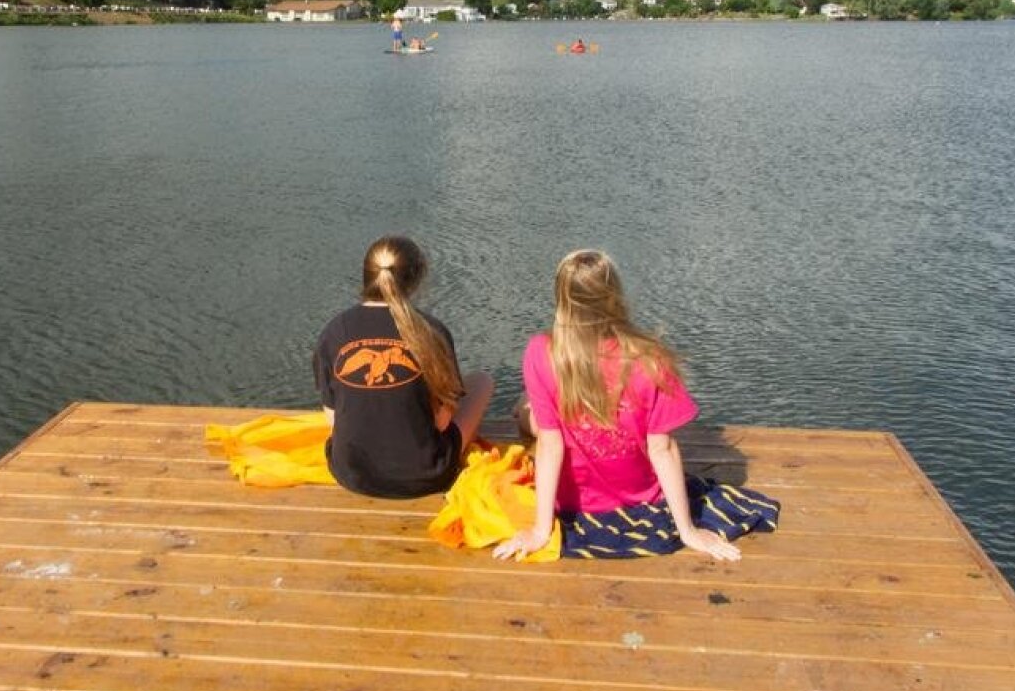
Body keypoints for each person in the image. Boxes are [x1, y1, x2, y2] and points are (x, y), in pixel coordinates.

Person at [494, 249, 778, 561]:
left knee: (531, 411)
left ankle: (525, 409)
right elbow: (663, 449)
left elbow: (550, 444)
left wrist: (540, 529)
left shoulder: (541, 352)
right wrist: (688, 530)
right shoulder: (650, 358)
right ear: (614, 296)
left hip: (574, 503)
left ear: (561, 299)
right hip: (641, 498)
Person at [315, 235, 494, 498]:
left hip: (352, 473)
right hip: (425, 475)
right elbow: (442, 423)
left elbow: (333, 420)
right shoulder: (430, 331)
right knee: (481, 381)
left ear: (366, 276)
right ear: (416, 280)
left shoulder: (334, 331)